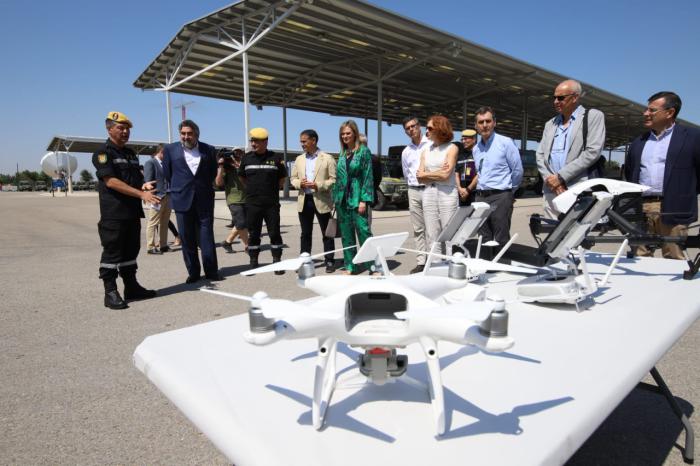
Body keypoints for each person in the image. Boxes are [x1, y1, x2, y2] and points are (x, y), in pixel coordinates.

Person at [92, 111, 159, 309]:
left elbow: (134, 179)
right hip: (114, 213)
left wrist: (143, 186)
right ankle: (110, 292)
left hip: (131, 212)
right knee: (113, 252)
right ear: (109, 128)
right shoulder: (103, 153)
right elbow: (111, 181)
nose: (125, 131)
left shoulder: (130, 154)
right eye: (120, 127)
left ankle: (131, 287)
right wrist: (141, 195)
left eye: (127, 128)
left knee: (131, 251)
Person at [624, 91, 700, 260]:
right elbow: (630, 173)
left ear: (670, 112)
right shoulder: (639, 142)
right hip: (641, 209)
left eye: (652, 110)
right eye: (646, 109)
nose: (646, 113)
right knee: (639, 259)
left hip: (674, 207)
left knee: (674, 259)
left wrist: (685, 194)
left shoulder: (693, 138)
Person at [536, 79, 606, 218]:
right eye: (554, 97)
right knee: (552, 236)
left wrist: (561, 177)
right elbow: (540, 155)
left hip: (577, 189)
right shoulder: (550, 124)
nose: (556, 101)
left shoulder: (592, 116)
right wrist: (552, 182)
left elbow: (593, 151)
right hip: (552, 190)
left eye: (561, 98)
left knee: (576, 236)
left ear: (575, 97)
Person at [163, 120, 221, 283]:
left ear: (196, 134)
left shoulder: (208, 150)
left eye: (189, 133)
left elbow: (211, 173)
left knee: (207, 235)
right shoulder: (170, 150)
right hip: (182, 198)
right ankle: (193, 272)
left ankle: (211, 271)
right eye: (183, 133)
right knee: (186, 237)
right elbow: (168, 174)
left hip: (204, 199)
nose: (186, 137)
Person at [472, 106, 523, 247]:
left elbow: (517, 170)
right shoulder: (476, 149)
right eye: (481, 122)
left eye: (488, 121)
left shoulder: (506, 143)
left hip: (500, 196)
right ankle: (485, 268)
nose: (484, 125)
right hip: (481, 196)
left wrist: (508, 193)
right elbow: (480, 173)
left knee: (501, 237)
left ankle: (501, 266)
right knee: (483, 237)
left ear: (494, 122)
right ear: (476, 126)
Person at [239, 127, 287, 273]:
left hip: (271, 204)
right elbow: (242, 177)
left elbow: (282, 179)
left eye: (256, 141)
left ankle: (277, 262)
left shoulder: (276, 158)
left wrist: (270, 191)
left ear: (265, 142)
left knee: (274, 233)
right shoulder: (246, 158)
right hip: (253, 204)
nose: (253, 144)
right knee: (254, 234)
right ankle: (253, 261)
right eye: (252, 141)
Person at [290, 129, 337, 273]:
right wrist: (300, 184)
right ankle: (304, 261)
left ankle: (329, 260)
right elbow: (293, 179)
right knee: (305, 233)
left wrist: (318, 185)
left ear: (314, 141)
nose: (302, 144)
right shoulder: (299, 159)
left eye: (304, 141)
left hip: (321, 199)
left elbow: (334, 180)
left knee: (326, 233)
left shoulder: (327, 158)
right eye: (301, 141)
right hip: (304, 200)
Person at [332, 120, 374, 275]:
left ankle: (372, 266)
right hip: (342, 200)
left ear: (355, 133)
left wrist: (364, 200)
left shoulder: (363, 151)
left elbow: (368, 176)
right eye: (342, 134)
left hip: (357, 197)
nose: (345, 136)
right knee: (346, 234)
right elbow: (338, 177)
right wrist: (335, 198)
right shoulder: (342, 154)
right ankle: (351, 265)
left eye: (348, 133)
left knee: (364, 232)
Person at [417, 115, 459, 257]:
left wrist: (427, 174)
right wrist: (438, 172)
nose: (426, 131)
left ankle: (452, 264)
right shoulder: (425, 151)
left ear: (440, 129)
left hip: (447, 193)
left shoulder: (452, 148)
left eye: (429, 128)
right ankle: (434, 266)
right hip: (429, 192)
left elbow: (446, 176)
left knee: (449, 232)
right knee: (431, 233)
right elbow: (419, 177)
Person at [401, 116, 431, 273]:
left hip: (430, 189)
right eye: (408, 128)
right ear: (405, 131)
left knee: (433, 228)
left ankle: (434, 260)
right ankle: (421, 262)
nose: (411, 129)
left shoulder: (432, 145)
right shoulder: (406, 152)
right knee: (418, 229)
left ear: (420, 126)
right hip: (413, 190)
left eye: (413, 126)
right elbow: (407, 173)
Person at [215, 147, 249, 254]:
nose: (237, 154)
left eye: (240, 152)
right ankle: (248, 246)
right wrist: (220, 166)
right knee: (241, 223)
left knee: (242, 224)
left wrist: (240, 167)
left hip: (246, 198)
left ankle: (227, 242)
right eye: (235, 152)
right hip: (233, 199)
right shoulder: (226, 167)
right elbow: (218, 183)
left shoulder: (245, 165)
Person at [143, 145, 172, 254]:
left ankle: (163, 245)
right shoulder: (150, 163)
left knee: (164, 222)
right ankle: (150, 247)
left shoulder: (165, 164)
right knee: (153, 222)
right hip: (157, 197)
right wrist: (151, 195)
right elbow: (148, 182)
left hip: (168, 196)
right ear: (161, 152)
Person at [455, 129, 478, 206]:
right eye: (462, 139)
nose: (463, 141)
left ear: (474, 140)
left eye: (466, 139)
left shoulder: (479, 154)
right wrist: (459, 188)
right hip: (462, 193)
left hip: (475, 193)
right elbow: (456, 173)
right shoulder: (460, 156)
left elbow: (479, 174)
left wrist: (468, 190)